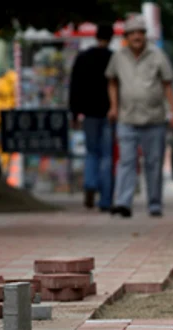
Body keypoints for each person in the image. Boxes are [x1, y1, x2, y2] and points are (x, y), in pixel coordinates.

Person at [105, 15, 173, 218]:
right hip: (126, 118)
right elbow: (112, 81)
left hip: (154, 118)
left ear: (145, 35)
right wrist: (113, 106)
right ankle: (123, 202)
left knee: (153, 163)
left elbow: (167, 84)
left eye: (140, 32)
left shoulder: (157, 55)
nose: (137, 36)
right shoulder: (118, 56)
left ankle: (154, 203)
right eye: (132, 33)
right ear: (126, 36)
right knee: (126, 161)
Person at [69, 23, 115, 212]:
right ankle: (105, 199)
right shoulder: (114, 58)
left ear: (96, 36)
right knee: (107, 155)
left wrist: (74, 112)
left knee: (91, 152)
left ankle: (89, 184)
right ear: (111, 37)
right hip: (110, 112)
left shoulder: (83, 58)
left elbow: (75, 87)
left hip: (88, 113)